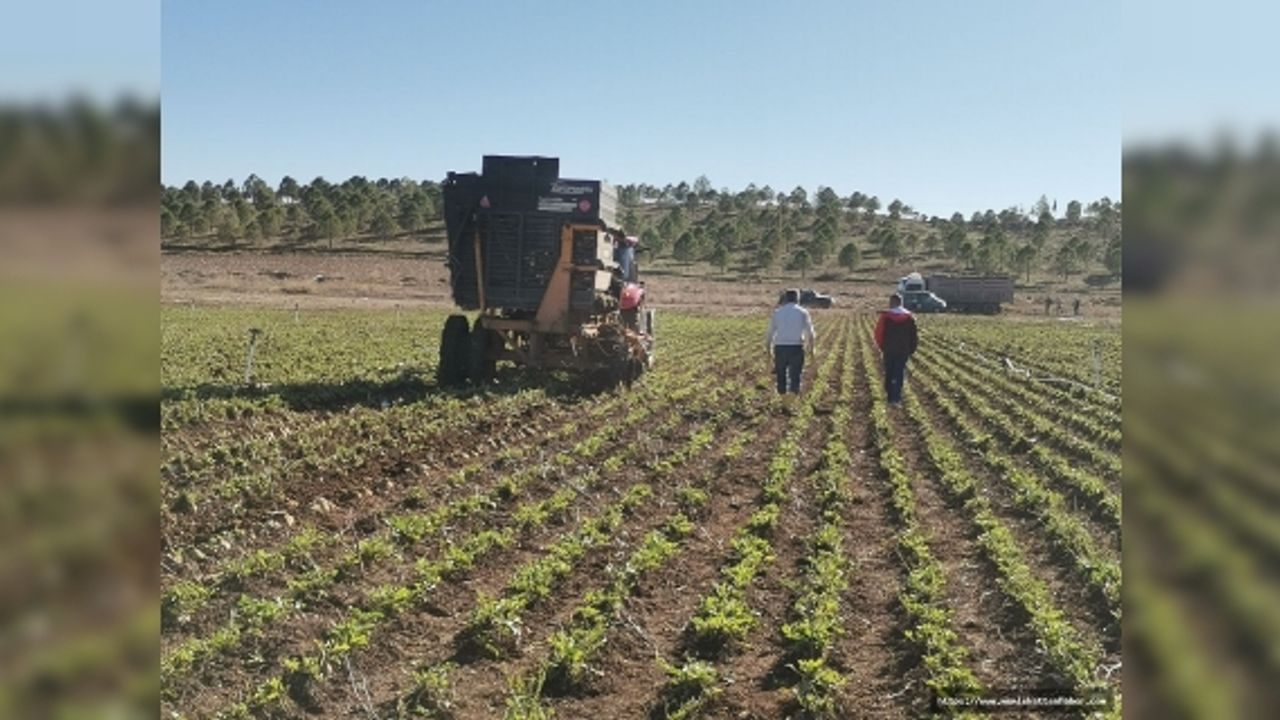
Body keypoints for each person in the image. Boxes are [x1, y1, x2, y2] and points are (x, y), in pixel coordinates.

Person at [765, 289, 816, 395]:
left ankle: (783, 400)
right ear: (798, 299)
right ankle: (791, 401)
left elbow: (770, 333)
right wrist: (811, 349)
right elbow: (810, 333)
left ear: (786, 298)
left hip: (780, 348)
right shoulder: (803, 312)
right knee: (795, 375)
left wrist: (768, 350)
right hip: (796, 347)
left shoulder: (777, 312)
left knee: (781, 375)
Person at [874, 293, 918, 405]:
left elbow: (879, 333)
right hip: (903, 350)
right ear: (901, 303)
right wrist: (911, 349)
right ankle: (896, 397)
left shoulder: (885, 317)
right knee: (899, 372)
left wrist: (882, 346)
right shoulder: (909, 317)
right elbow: (914, 336)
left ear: (892, 303)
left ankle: (889, 396)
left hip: (889, 350)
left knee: (889, 372)